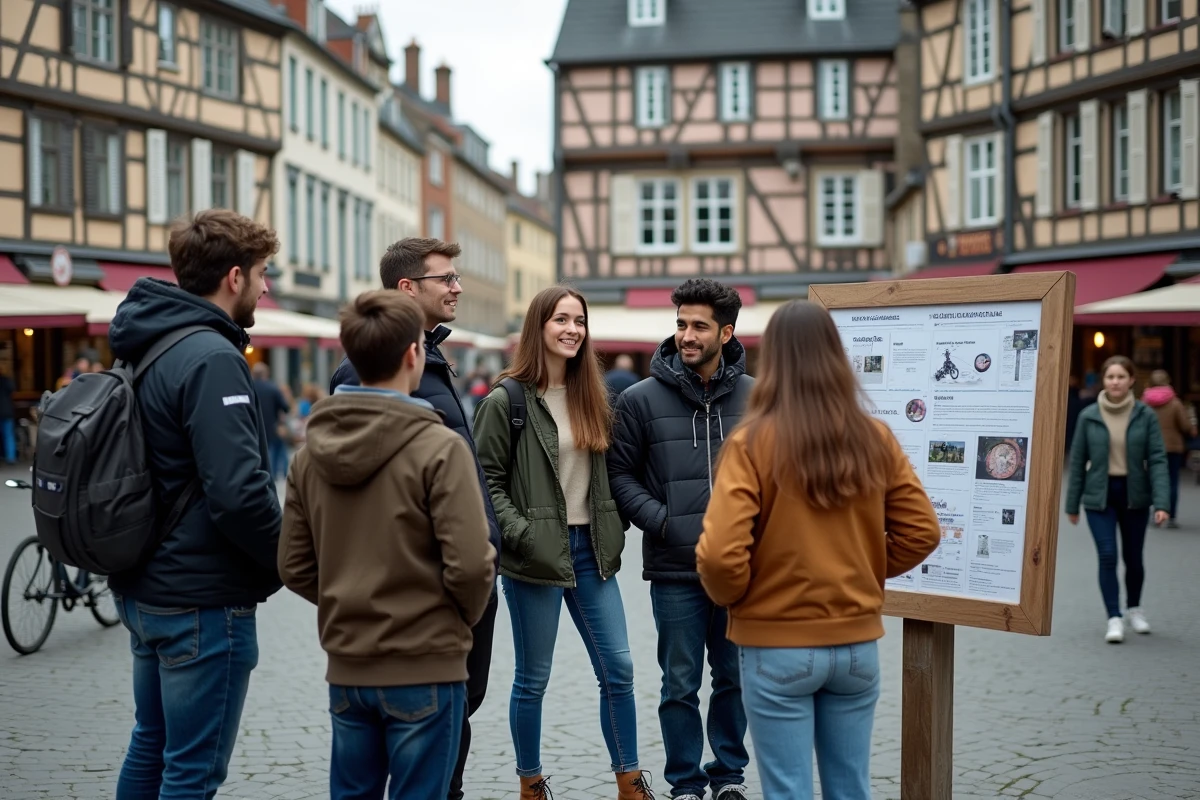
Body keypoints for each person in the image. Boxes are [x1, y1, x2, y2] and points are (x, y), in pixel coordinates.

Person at [695, 300, 941, 800]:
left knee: (788, 791)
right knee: (851, 788)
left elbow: (721, 556)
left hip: (775, 642)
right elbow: (922, 532)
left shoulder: (751, 443)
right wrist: (863, 570)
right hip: (855, 647)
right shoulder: (875, 437)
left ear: (774, 361)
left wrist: (742, 598)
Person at [279, 290, 496, 800]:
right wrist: (447, 619)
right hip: (425, 660)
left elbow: (293, 565)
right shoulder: (439, 447)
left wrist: (347, 599)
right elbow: (471, 565)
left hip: (349, 663)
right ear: (413, 355)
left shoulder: (308, 457)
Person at [106, 209, 284, 799]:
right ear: (235, 277)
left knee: (149, 746)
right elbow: (239, 494)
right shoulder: (211, 357)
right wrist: (290, 561)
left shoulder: (147, 341)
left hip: (147, 587)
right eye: (262, 274)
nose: (266, 287)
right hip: (202, 604)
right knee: (191, 771)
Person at [329, 237, 501, 800]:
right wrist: (457, 591)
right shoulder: (369, 371)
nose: (456, 286)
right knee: (429, 746)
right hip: (427, 608)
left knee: (453, 726)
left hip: (438, 601)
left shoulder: (432, 357)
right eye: (444, 278)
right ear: (408, 288)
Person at [472, 286, 655, 800]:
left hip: (592, 550)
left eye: (579, 320)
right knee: (534, 678)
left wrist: (617, 523)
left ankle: (629, 780)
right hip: (534, 555)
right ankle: (531, 782)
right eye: (561, 320)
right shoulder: (505, 400)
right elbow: (485, 480)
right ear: (539, 327)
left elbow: (612, 471)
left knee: (618, 669)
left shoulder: (592, 395)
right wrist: (520, 534)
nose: (572, 329)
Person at [607, 279, 754, 800]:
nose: (686, 336)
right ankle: (686, 783)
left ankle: (729, 775)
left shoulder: (757, 397)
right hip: (674, 567)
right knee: (680, 682)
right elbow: (619, 476)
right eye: (680, 325)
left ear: (726, 332)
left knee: (734, 677)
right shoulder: (639, 400)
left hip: (740, 568)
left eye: (698, 326)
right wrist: (666, 521)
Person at [1067, 356, 1170, 642]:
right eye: (1110, 376)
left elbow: (1159, 460)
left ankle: (1135, 608)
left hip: (1134, 494)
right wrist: (1071, 505)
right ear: (1104, 380)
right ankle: (1114, 616)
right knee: (1108, 555)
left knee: (1133, 558)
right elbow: (1077, 462)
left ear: (1132, 380)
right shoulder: (1089, 415)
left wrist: (1162, 503)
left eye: (1121, 377)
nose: (1115, 382)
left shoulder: (1145, 415)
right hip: (1098, 495)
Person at [1142, 369, 1196, 528]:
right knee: (1172, 480)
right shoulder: (1175, 403)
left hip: (1151, 446)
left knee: (1153, 480)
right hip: (1173, 446)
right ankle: (1170, 515)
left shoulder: (1145, 402)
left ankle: (1154, 514)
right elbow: (1185, 426)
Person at [253, 362, 292, 480]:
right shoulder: (273, 388)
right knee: (273, 452)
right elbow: (285, 407)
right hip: (271, 427)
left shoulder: (247, 387)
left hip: (252, 427)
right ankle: (272, 477)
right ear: (266, 374)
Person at [0, 365, 15, 464]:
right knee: (9, 435)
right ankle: (11, 457)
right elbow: (12, 390)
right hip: (7, 410)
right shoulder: (6, 380)